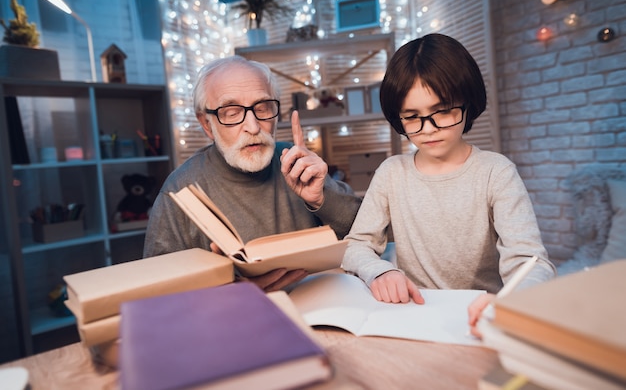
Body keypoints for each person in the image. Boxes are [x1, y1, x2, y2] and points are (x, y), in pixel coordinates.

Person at [340, 33, 556, 337]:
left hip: (483, 317)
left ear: (467, 104)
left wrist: (511, 304)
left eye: (442, 112)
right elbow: (355, 247)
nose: (428, 129)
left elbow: (532, 263)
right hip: (414, 316)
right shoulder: (391, 173)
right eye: (412, 117)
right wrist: (381, 270)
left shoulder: (496, 172)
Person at [144, 55, 361, 292]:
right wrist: (229, 294)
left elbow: (368, 237)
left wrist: (321, 198)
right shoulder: (179, 189)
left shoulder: (295, 161)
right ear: (207, 124)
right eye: (231, 112)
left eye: (262, 108)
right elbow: (158, 293)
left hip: (321, 307)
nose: (253, 126)